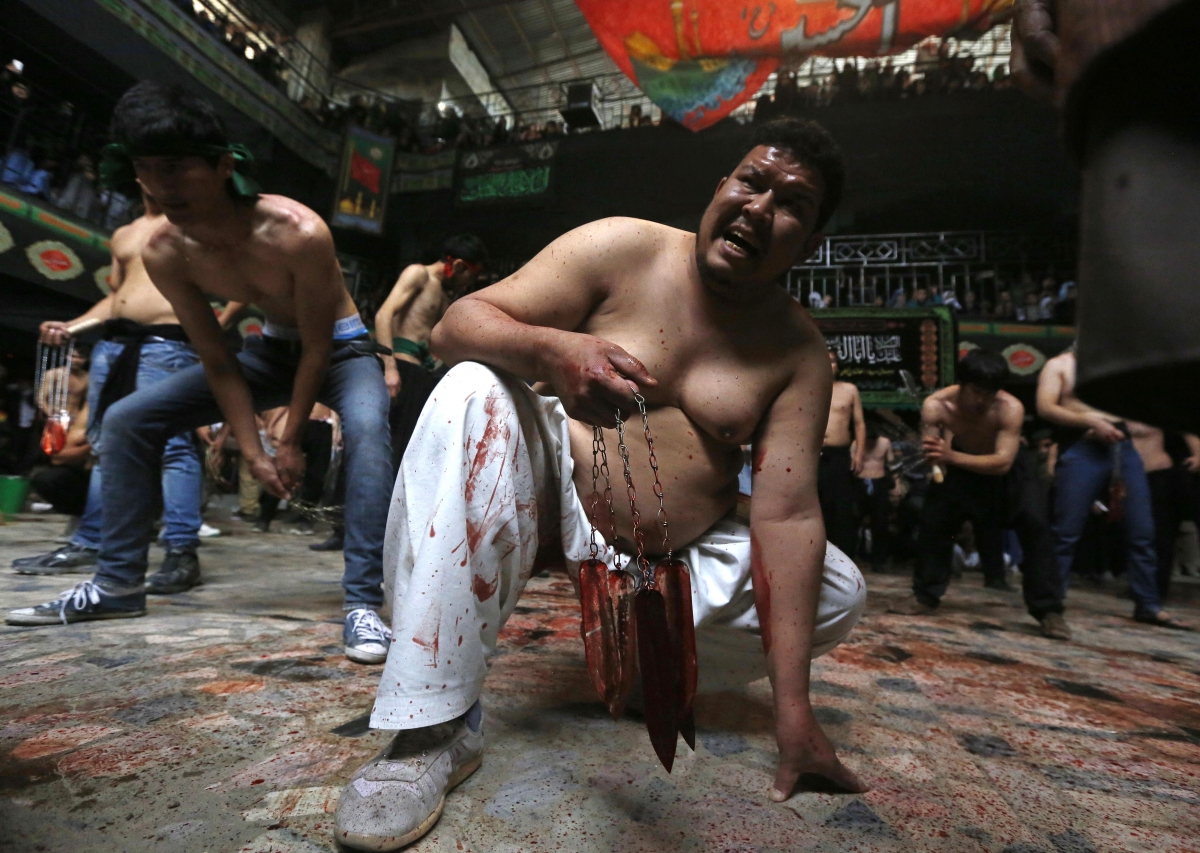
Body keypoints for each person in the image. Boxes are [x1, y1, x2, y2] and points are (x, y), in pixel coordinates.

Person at [334, 118, 868, 850]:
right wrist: (552, 349)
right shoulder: (622, 246)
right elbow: (454, 327)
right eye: (751, 180)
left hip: (659, 555)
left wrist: (794, 713)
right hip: (551, 485)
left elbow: (789, 511)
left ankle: (650, 661)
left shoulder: (798, 351)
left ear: (807, 245)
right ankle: (431, 727)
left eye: (791, 204)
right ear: (720, 188)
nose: (758, 206)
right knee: (467, 389)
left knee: (838, 587)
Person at [6, 82, 396, 664]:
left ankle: (364, 603)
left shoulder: (298, 231)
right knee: (127, 419)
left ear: (220, 166)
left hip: (340, 350)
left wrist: (286, 442)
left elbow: (316, 348)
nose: (163, 186)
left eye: (177, 168)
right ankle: (117, 584)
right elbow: (216, 357)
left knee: (367, 432)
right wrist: (251, 448)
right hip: (267, 351)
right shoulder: (164, 250)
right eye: (146, 170)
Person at [11, 193, 211, 588]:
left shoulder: (199, 219)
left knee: (173, 446)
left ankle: (181, 552)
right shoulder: (125, 232)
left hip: (169, 342)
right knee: (105, 446)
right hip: (113, 343)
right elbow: (116, 297)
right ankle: (91, 541)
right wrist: (72, 326)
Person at [891, 349, 1069, 638]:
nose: (982, 400)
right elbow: (934, 451)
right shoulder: (936, 406)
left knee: (1035, 525)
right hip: (960, 464)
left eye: (990, 393)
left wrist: (948, 456)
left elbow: (1002, 462)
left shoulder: (1010, 408)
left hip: (1009, 472)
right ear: (962, 383)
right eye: (976, 391)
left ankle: (1048, 610)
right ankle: (925, 595)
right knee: (935, 519)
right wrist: (936, 460)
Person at [1036, 348, 1188, 628]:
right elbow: (1045, 407)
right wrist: (1090, 421)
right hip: (1082, 446)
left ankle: (1148, 604)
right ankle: (1050, 606)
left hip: (1122, 447)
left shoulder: (1116, 366)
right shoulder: (1060, 365)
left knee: (1143, 531)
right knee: (1066, 532)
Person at [374, 236, 487, 470]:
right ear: (457, 266)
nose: (468, 284)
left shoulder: (446, 295)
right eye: (471, 276)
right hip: (398, 369)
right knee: (383, 445)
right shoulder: (418, 274)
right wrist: (389, 367)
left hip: (421, 376)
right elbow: (383, 315)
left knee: (405, 450)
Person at [820, 348, 865, 555]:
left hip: (840, 456)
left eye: (832, 361)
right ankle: (819, 554)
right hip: (813, 457)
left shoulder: (849, 389)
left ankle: (845, 556)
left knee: (843, 508)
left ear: (838, 366)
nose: (829, 365)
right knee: (818, 507)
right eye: (824, 361)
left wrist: (859, 453)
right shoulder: (806, 389)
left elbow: (859, 424)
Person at [855, 421, 893, 568]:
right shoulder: (856, 444)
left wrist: (896, 484)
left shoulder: (885, 443)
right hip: (861, 482)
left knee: (881, 523)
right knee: (854, 521)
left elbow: (892, 463)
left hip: (880, 483)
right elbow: (851, 466)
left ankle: (879, 561)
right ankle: (853, 557)